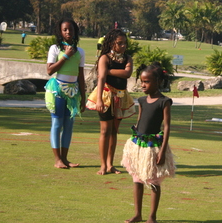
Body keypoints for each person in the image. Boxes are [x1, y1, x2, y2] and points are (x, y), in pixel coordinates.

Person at [121, 62, 175, 223]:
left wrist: (163, 151)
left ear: (158, 81)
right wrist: (133, 143)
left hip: (153, 147)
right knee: (137, 179)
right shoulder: (142, 100)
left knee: (153, 181)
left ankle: (152, 217)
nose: (143, 85)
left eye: (147, 81)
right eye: (142, 81)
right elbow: (139, 121)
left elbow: (166, 126)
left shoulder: (164, 102)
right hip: (139, 145)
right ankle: (137, 214)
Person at [86, 29, 136, 175]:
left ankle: (110, 164)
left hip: (120, 97)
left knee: (114, 131)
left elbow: (127, 73)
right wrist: (99, 100)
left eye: (124, 43)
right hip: (106, 96)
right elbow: (100, 78)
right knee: (105, 131)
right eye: (119, 43)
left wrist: (107, 71)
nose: (123, 46)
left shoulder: (128, 59)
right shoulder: (105, 58)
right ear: (111, 43)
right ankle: (103, 165)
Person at [44, 18, 85, 169]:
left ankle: (65, 159)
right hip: (58, 90)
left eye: (71, 29)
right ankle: (57, 160)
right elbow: (50, 70)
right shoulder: (55, 48)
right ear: (60, 32)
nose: (68, 32)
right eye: (65, 30)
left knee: (69, 125)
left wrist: (83, 97)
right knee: (57, 123)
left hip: (73, 92)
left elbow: (80, 76)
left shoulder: (80, 51)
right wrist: (66, 56)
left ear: (75, 31)